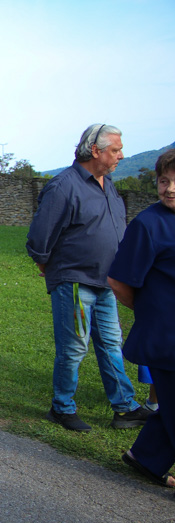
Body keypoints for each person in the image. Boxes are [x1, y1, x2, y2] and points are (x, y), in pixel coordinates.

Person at [26, 124, 150, 432]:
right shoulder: (64, 186)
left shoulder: (108, 185)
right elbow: (39, 237)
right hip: (75, 282)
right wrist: (47, 266)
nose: (121, 155)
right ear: (95, 151)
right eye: (115, 150)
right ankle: (62, 407)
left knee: (111, 344)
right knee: (74, 347)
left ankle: (124, 408)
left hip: (106, 282)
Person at [108, 149, 175, 489]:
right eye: (164, 180)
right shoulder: (149, 224)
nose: (170, 188)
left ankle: (146, 457)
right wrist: (152, 312)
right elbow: (118, 280)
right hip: (166, 335)